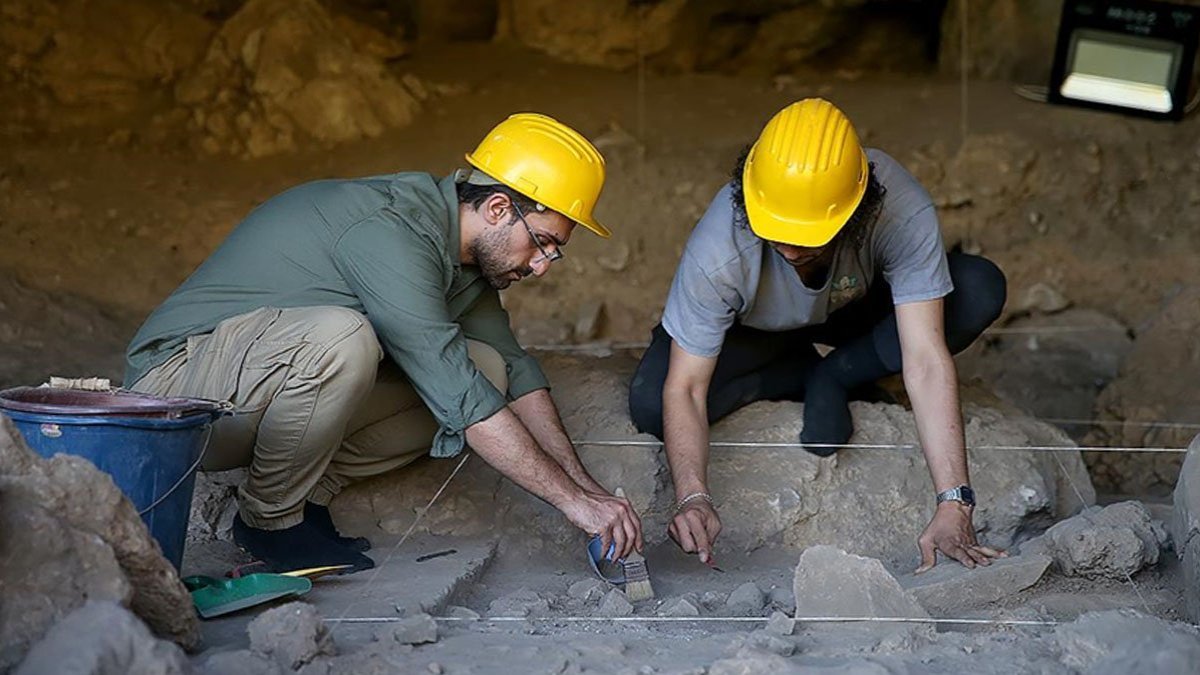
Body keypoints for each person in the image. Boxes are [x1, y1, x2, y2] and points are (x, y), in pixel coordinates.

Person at [126, 113, 643, 573]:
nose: (540, 265)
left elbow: (514, 372)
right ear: (498, 208)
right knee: (344, 338)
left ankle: (307, 498)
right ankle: (268, 520)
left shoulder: (469, 264)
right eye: (542, 242)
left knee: (488, 367)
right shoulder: (392, 233)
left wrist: (589, 492)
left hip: (254, 398)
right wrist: (570, 505)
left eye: (554, 253)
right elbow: (455, 394)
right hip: (176, 403)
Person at [628, 99, 1006, 573]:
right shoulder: (719, 248)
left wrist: (955, 503)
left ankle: (839, 372)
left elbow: (926, 358)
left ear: (859, 209)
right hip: (756, 328)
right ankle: (795, 371)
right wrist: (693, 497)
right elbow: (684, 386)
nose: (789, 247)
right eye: (776, 231)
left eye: (808, 236)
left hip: (853, 306)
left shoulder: (897, 207)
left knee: (976, 288)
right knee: (649, 404)